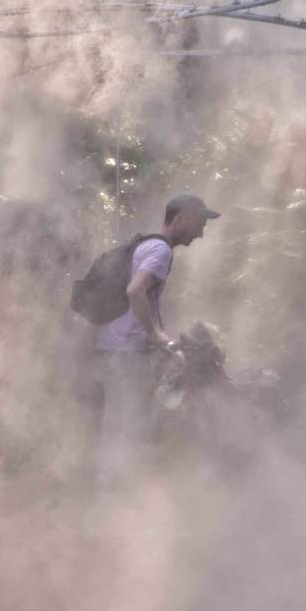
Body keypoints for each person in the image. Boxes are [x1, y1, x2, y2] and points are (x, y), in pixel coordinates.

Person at [89, 194, 220, 478]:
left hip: (110, 348)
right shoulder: (161, 251)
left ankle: (106, 491)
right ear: (181, 219)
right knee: (128, 426)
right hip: (126, 353)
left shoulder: (145, 244)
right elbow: (135, 291)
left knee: (115, 425)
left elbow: (141, 295)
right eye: (200, 223)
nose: (201, 232)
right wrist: (156, 335)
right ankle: (115, 496)